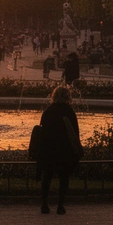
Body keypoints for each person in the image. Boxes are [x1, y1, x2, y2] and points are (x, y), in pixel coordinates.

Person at [33, 86, 82, 215]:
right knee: (64, 177)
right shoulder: (69, 111)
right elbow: (75, 133)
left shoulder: (48, 111)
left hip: (48, 148)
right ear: (68, 97)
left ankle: (44, 204)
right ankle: (60, 205)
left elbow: (43, 131)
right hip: (64, 149)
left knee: (47, 177)